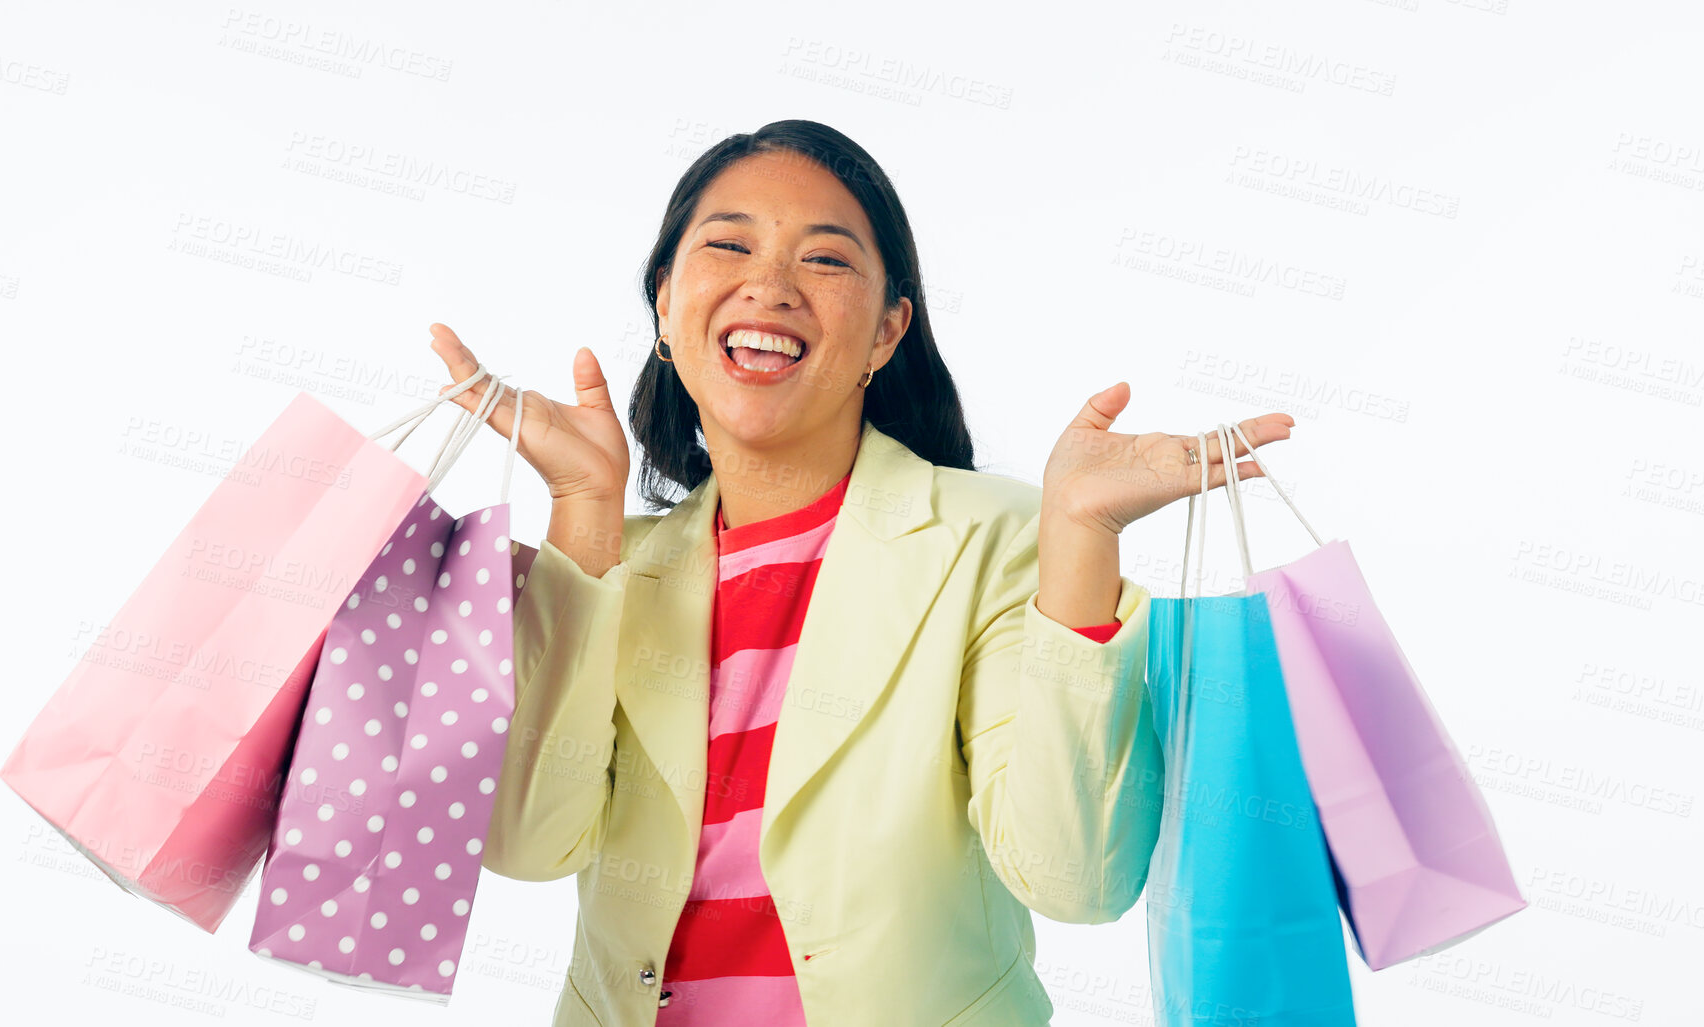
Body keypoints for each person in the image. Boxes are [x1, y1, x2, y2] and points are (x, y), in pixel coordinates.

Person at [425, 119, 1291, 1026]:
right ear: (665, 305)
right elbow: (529, 842)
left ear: (886, 332)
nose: (769, 284)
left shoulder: (989, 540)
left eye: (826, 261)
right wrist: (584, 508)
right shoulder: (617, 563)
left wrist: (1078, 534)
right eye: (728, 245)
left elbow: (1074, 878)